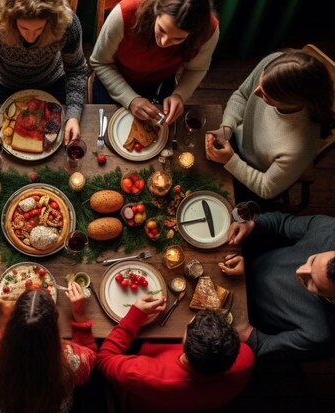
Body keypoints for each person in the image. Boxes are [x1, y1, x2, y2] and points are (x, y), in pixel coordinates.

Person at [205, 49, 335, 201]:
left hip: (253, 175)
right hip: (235, 143)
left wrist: (230, 161)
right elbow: (242, 95)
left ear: (291, 103)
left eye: (266, 96)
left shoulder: (299, 146)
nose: (256, 93)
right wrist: (227, 127)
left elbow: (266, 188)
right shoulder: (273, 63)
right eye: (260, 83)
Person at [98, 295, 254, 413]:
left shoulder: (142, 374)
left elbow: (104, 358)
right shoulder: (246, 358)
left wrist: (134, 317)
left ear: (184, 342)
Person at [0, 0, 87, 143]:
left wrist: (73, 115)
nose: (30, 38)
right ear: (10, 19)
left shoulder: (68, 23)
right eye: (23, 28)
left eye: (39, 29)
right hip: (4, 82)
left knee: (58, 144)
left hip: (51, 81)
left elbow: (76, 70)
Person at [218, 212, 335, 360]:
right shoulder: (330, 230)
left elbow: (262, 346)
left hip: (245, 315)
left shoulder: (319, 333)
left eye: (313, 283)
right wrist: (253, 225)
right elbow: (282, 224)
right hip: (249, 261)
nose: (300, 271)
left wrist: (241, 331)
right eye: (312, 261)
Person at [0, 283, 97, 413]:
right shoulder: (72, 360)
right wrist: (79, 314)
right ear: (55, 326)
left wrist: (4, 318)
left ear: (12, 325)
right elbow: (91, 355)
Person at [90, 0, 219, 124]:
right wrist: (130, 99)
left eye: (178, 38)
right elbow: (100, 62)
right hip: (112, 76)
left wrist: (180, 95)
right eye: (161, 30)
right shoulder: (124, 13)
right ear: (155, 10)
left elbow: (196, 69)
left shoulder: (208, 30)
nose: (163, 43)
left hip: (160, 83)